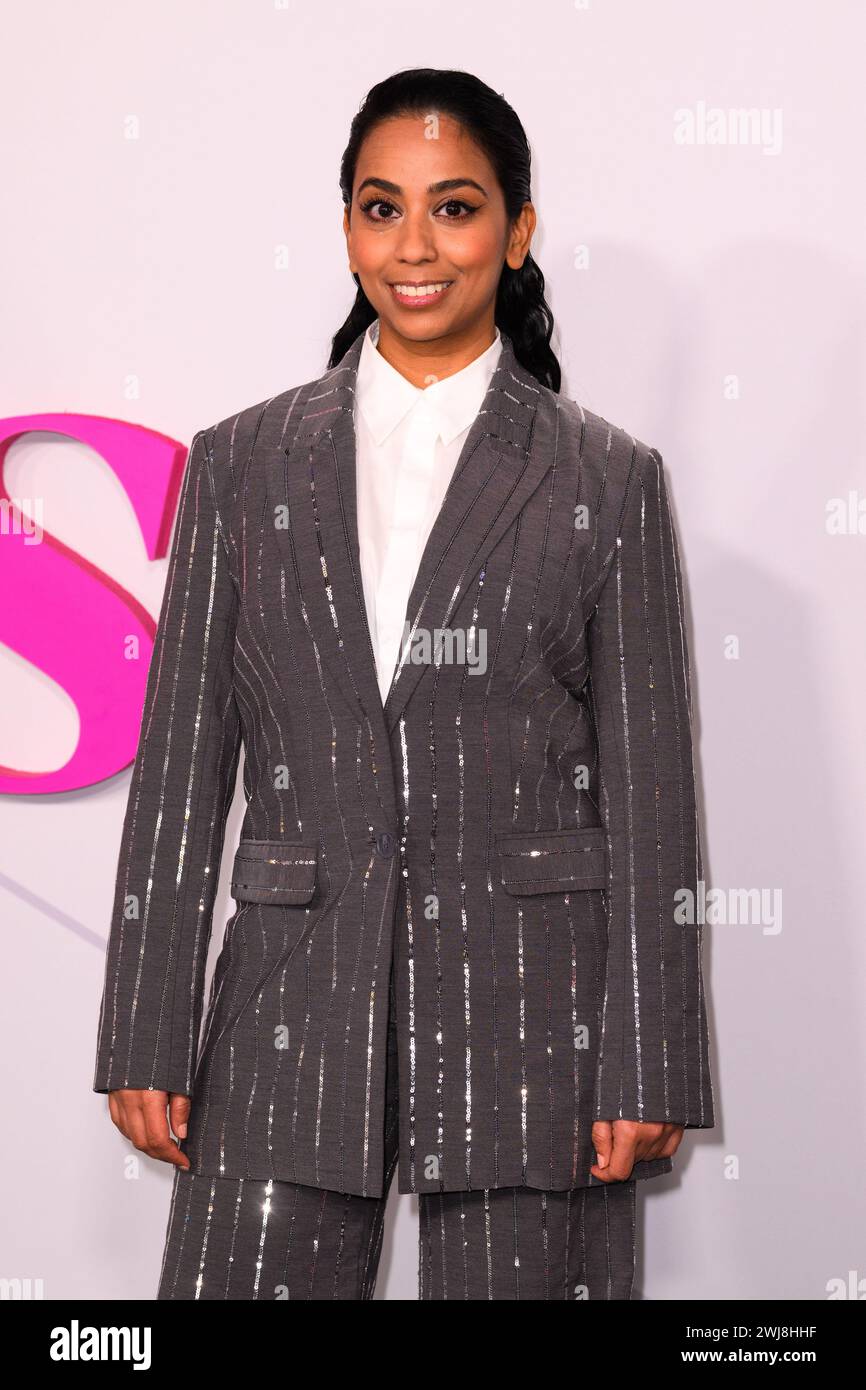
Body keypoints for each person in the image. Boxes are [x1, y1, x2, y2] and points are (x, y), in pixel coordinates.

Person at [94, 66, 715, 1301]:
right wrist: (145, 1027)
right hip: (286, 1010)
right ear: (345, 229)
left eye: (455, 206)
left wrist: (647, 1056)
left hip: (537, 1021)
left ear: (518, 229)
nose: (414, 246)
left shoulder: (606, 478)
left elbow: (653, 794)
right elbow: (178, 769)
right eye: (381, 209)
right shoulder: (237, 465)